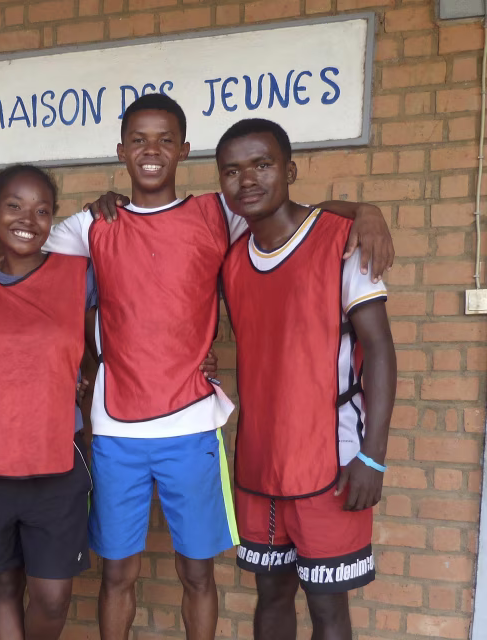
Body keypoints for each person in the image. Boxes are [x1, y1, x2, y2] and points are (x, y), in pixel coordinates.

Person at [45, 93, 394, 640]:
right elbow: (24, 253)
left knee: (200, 574)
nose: (151, 151)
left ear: (184, 149)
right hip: (118, 427)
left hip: (195, 426)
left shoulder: (218, 211)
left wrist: (366, 211)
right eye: (138, 139)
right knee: (120, 574)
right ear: (120, 149)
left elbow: (296, 212)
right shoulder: (91, 224)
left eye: (164, 139)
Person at [217, 119, 395, 640]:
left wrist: (372, 454)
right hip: (259, 460)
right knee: (271, 596)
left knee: (326, 608)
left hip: (331, 459)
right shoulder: (232, 260)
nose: (247, 180)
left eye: (262, 165)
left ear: (289, 170)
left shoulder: (343, 240)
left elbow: (380, 351)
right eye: (232, 171)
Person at [0, 165, 95, 640]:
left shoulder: (77, 273)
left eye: (42, 210)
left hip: (56, 464)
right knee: (2, 585)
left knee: (51, 597)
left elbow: (118, 331)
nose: (29, 218)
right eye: (14, 206)